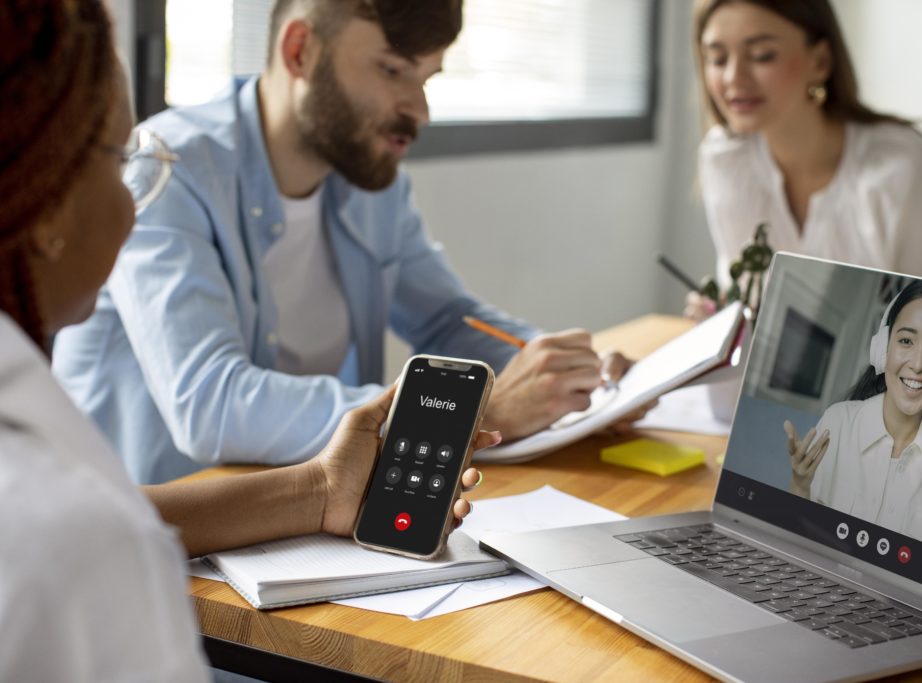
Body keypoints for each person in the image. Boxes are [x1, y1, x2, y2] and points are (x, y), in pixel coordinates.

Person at [0, 2, 487, 678]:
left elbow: (114, 512)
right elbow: (190, 426)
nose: (140, 187)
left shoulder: (56, 497)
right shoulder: (68, 544)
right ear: (41, 197)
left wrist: (319, 489)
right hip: (202, 599)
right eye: (123, 161)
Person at [52, 0, 642, 485]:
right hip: (157, 544)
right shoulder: (169, 170)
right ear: (300, 50)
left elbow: (447, 320)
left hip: (297, 514)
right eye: (392, 70)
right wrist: (466, 413)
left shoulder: (367, 176)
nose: (420, 110)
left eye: (426, 78)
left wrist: (557, 373)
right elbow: (209, 404)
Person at [690, 0, 922, 310]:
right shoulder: (726, 160)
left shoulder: (897, 172)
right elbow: (751, 304)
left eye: (762, 55)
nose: (733, 77)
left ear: (820, 62)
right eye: (717, 59)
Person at [783, 280, 922, 557]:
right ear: (883, 347)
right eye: (906, 340)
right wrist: (800, 485)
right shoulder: (838, 423)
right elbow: (795, 542)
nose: (919, 363)